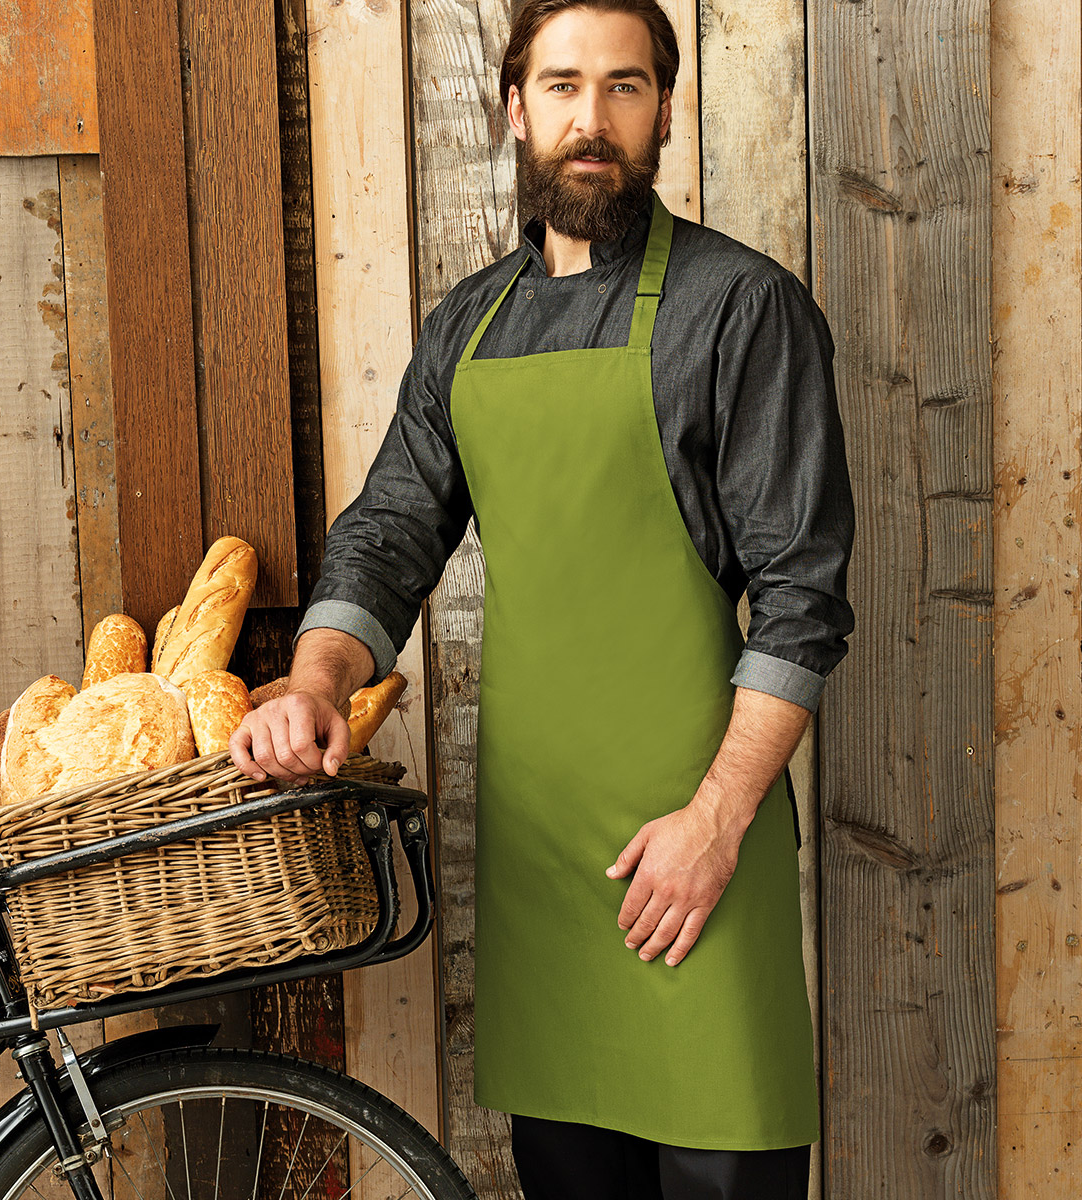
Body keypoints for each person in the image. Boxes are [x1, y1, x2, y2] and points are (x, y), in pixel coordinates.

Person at [231, 0, 854, 1195]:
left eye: (624, 86)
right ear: (516, 108)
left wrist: (717, 822)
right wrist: (316, 683)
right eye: (563, 85)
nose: (593, 118)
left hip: (699, 846)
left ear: (663, 110)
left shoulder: (741, 308)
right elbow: (389, 534)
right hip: (543, 863)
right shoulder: (468, 328)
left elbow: (802, 601)